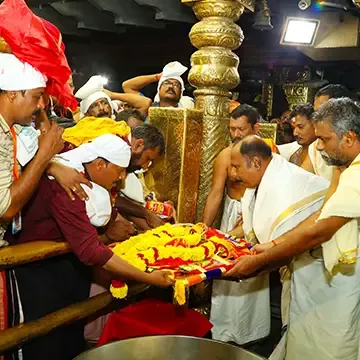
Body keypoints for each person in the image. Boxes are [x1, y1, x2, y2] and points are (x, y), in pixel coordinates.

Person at [4, 134, 173, 360]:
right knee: (42, 341)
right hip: (35, 273)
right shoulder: (70, 186)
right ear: (100, 164)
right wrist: (149, 278)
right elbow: (90, 250)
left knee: (68, 334)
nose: (122, 177)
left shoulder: (84, 178)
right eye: (119, 170)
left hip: (65, 269)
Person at [226, 97, 360, 360]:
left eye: (324, 139)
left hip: (345, 278)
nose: (319, 147)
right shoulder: (343, 167)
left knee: (335, 346)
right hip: (321, 273)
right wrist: (273, 246)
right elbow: (323, 213)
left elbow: (323, 229)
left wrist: (262, 259)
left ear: (349, 138)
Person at [228, 135, 329, 326]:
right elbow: (254, 227)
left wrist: (254, 265)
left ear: (256, 163)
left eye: (236, 166)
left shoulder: (282, 186)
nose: (233, 174)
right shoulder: (262, 179)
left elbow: (287, 249)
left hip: (318, 271)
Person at [205, 104, 276, 346]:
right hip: (233, 215)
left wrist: (256, 213)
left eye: (241, 129)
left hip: (260, 215)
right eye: (232, 129)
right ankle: (222, 334)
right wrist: (205, 230)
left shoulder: (269, 153)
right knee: (227, 271)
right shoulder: (226, 155)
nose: (235, 134)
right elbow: (216, 193)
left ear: (256, 127)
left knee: (253, 273)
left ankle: (252, 335)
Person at [122, 61, 194, 117]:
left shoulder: (187, 110)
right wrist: (157, 77)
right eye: (166, 83)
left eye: (176, 85)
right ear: (159, 89)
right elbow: (127, 86)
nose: (171, 86)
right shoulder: (148, 108)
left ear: (181, 92)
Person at [75, 75, 151, 119]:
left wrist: (113, 95)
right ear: (87, 113)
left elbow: (145, 103)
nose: (101, 108)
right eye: (94, 105)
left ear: (111, 106)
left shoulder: (122, 122)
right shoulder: (81, 132)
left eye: (104, 103)